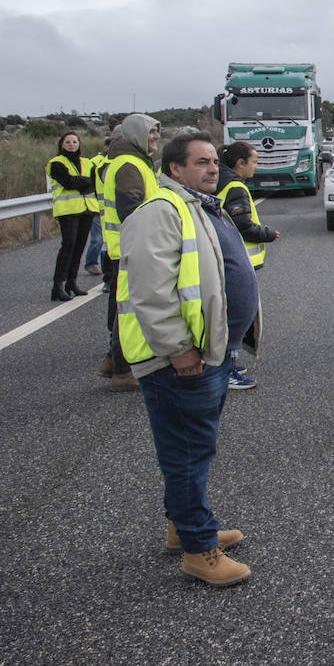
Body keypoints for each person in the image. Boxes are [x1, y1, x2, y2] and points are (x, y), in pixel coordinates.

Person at [120, 131, 258, 587]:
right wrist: (179, 349)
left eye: (213, 161)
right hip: (181, 362)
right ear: (174, 169)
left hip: (211, 354)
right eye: (200, 162)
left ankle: (183, 526)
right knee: (186, 452)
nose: (212, 168)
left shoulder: (198, 205)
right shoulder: (160, 212)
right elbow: (151, 291)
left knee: (194, 450)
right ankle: (200, 549)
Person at [99, 114, 161, 389]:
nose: (157, 136)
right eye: (151, 132)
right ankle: (122, 371)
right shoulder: (129, 165)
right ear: (136, 134)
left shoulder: (130, 162)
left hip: (124, 247)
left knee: (122, 308)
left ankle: (113, 362)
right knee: (128, 310)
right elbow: (131, 211)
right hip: (131, 248)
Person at [215, 142, 282, 390]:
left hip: (226, 258)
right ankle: (227, 369)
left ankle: (226, 364)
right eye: (254, 160)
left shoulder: (222, 180)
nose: (256, 165)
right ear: (240, 163)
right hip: (237, 260)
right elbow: (242, 224)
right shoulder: (234, 187)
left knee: (227, 313)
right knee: (237, 315)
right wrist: (267, 234)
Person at [45, 131, 99, 302]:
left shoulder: (87, 162)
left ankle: (71, 283)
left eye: (74, 141)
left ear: (79, 144)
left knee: (79, 247)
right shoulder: (56, 163)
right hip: (68, 211)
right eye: (68, 142)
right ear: (62, 144)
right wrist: (83, 181)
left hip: (86, 209)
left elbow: (93, 183)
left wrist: (80, 181)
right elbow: (67, 183)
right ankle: (58, 286)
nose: (71, 144)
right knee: (68, 246)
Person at [83, 137, 111, 275]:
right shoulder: (95, 162)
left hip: (107, 207)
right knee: (98, 238)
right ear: (106, 148)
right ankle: (91, 263)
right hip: (95, 205)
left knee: (105, 239)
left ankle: (100, 266)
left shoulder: (114, 162)